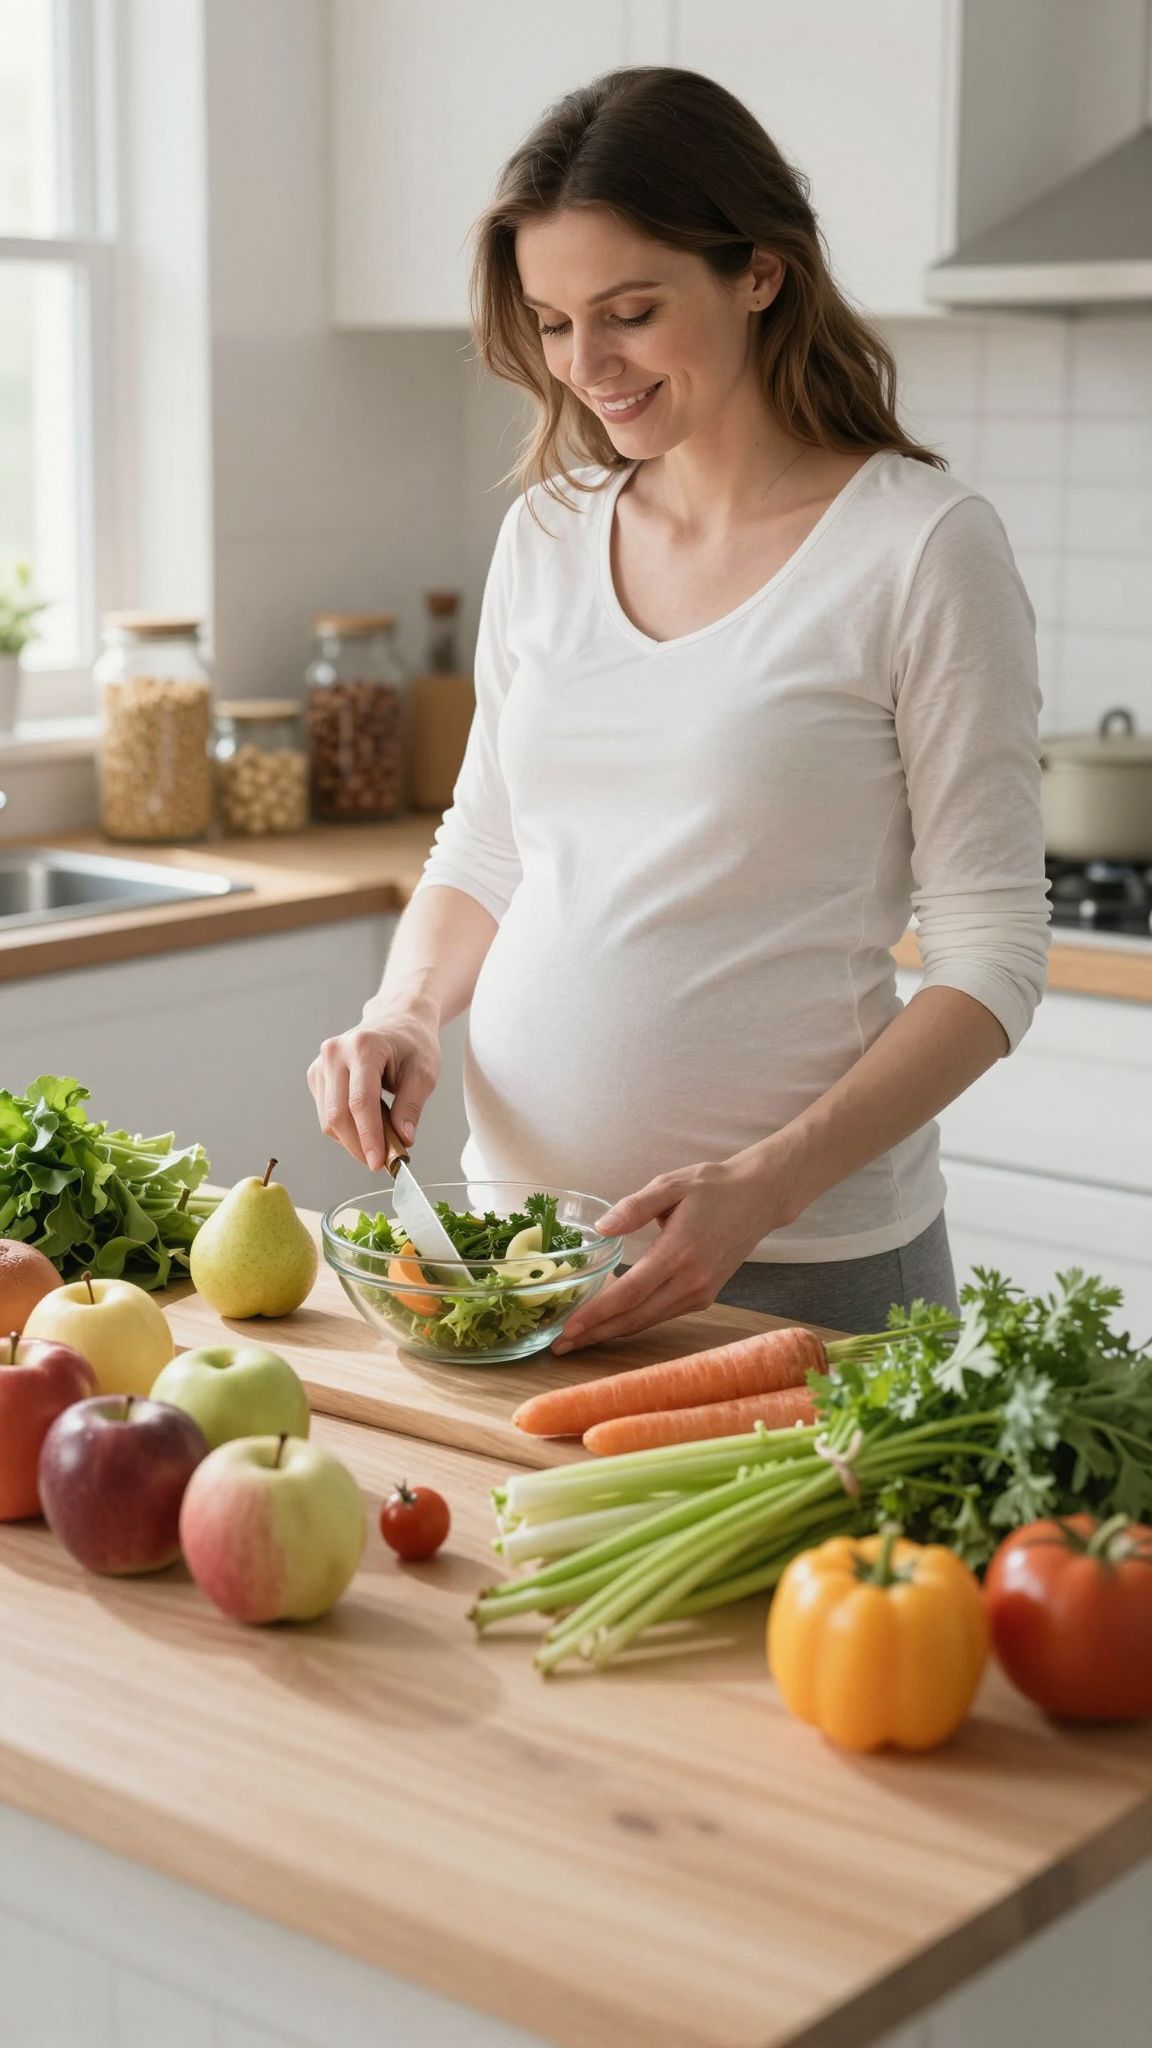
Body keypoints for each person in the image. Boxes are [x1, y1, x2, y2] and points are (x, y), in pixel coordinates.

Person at [307, 66, 1050, 1346]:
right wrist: (405, 1010)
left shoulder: (921, 548)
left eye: (631, 312)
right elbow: (486, 846)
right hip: (513, 1253)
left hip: (802, 1264)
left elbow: (993, 955)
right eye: (550, 322)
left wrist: (767, 1183)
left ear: (759, 271)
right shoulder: (547, 532)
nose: (586, 367)